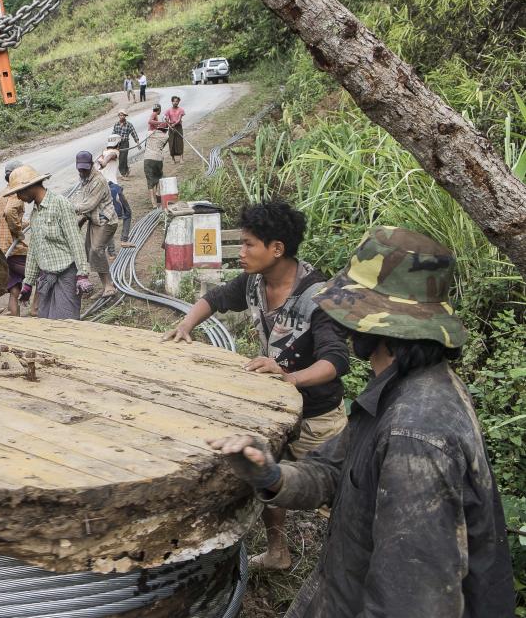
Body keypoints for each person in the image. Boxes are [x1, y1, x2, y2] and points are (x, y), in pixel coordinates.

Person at [207, 226, 515, 617]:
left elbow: (412, 602)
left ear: (379, 323)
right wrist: (271, 476)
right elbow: (333, 470)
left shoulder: (416, 435)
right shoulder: (397, 388)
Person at [163, 201, 349, 570]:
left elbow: (335, 361)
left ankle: (345, 566)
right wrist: (186, 326)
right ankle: (279, 552)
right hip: (275, 409)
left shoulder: (318, 296)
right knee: (270, 478)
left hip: (318, 416)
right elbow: (213, 299)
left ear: (276, 249)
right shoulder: (253, 283)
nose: (242, 253)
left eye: (249, 245)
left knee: (338, 493)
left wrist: (288, 376)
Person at [5, 165, 92, 320]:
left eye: (19, 192)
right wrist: (28, 283)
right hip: (47, 277)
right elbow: (34, 251)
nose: (18, 197)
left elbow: (75, 240)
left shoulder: (60, 204)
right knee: (45, 322)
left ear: (30, 187)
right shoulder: (35, 214)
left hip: (66, 274)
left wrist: (82, 273)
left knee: (66, 322)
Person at [72, 151, 118, 298]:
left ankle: (109, 286)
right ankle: (107, 285)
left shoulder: (98, 180)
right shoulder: (84, 178)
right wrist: (81, 219)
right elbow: (80, 198)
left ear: (91, 165)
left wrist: (68, 208)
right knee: (90, 252)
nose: (82, 171)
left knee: (96, 250)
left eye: (85, 169)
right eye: (80, 169)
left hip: (106, 220)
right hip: (94, 220)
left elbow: (89, 204)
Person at [0, 160, 29, 316]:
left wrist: (25, 223)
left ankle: (15, 321)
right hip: (13, 250)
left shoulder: (0, 195)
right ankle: (37, 311)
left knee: (14, 289)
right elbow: (9, 212)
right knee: (42, 275)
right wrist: (18, 231)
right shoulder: (17, 194)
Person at [97, 136, 133, 254]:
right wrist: (105, 162)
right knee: (127, 213)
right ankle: (124, 240)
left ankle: (111, 252)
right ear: (118, 145)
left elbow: (106, 155)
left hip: (101, 190)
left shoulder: (101, 154)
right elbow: (111, 155)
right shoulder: (114, 152)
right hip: (112, 188)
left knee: (109, 219)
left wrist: (102, 161)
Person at [144, 107, 170, 208]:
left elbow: (146, 144)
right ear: (165, 130)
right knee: (159, 176)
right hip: (158, 159)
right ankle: (158, 193)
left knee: (150, 180)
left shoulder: (149, 133)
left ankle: (153, 202)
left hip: (148, 159)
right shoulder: (166, 137)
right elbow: (162, 147)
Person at [112, 110, 140, 178]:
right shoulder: (116, 124)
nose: (121, 116)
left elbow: (134, 133)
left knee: (123, 158)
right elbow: (113, 134)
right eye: (120, 115)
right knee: (120, 158)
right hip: (117, 143)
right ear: (118, 116)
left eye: (123, 115)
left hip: (125, 143)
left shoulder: (129, 124)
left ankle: (123, 173)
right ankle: (126, 170)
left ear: (125, 116)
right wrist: (112, 144)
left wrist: (137, 143)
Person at [164, 95, 186, 163]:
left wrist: (174, 124)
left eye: (177, 101)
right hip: (171, 128)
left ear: (179, 102)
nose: (175, 102)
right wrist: (170, 126)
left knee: (180, 142)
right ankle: (173, 159)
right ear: (172, 102)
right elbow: (167, 120)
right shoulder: (168, 110)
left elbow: (179, 119)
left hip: (178, 127)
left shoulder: (181, 110)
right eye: (174, 101)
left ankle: (181, 158)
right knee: (171, 143)